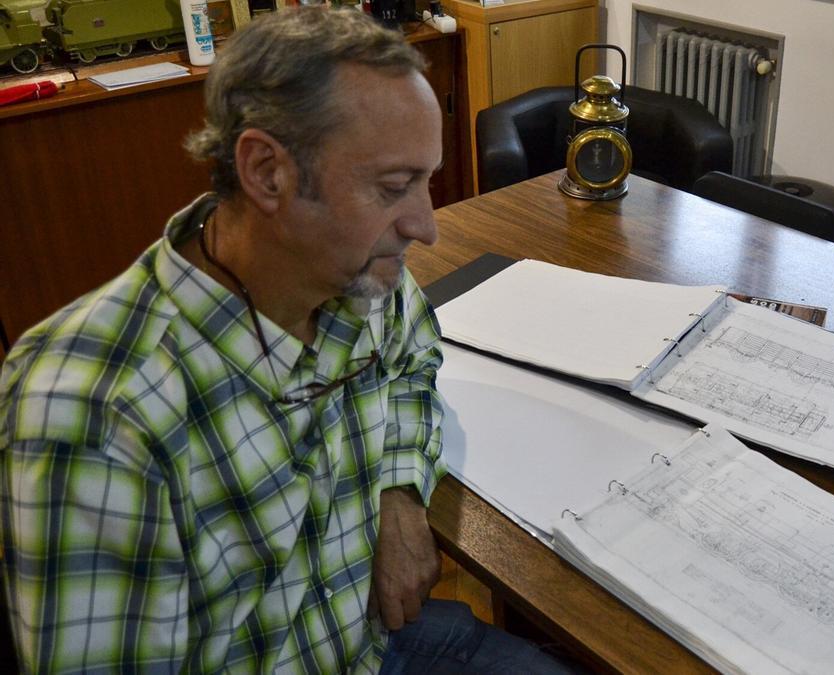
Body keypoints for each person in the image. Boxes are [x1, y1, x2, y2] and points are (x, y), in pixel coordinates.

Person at [0, 7, 576, 673]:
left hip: (369, 641)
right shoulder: (93, 415)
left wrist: (398, 492)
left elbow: (415, 359)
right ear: (268, 172)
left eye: (425, 179)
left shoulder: (358, 274)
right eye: (394, 186)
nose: (425, 224)